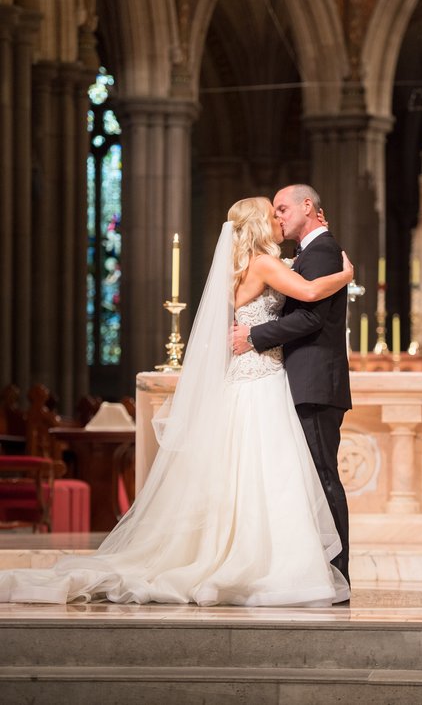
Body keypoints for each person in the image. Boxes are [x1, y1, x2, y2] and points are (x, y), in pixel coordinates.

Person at [0, 197, 352, 607]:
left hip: (249, 378)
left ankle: (254, 555)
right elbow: (309, 291)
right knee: (268, 474)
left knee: (252, 476)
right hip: (261, 381)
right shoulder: (262, 263)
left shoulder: (242, 267)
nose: (278, 218)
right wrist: (345, 274)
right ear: (258, 222)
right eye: (272, 213)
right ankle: (267, 563)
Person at [232, 185, 352, 586]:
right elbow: (308, 302)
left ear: (308, 206)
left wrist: (253, 335)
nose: (279, 217)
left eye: (282, 209)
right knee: (302, 479)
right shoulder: (282, 259)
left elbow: (311, 317)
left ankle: (337, 570)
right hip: (281, 379)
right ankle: (312, 568)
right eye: (272, 213)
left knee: (320, 477)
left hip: (312, 380)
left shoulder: (320, 251)